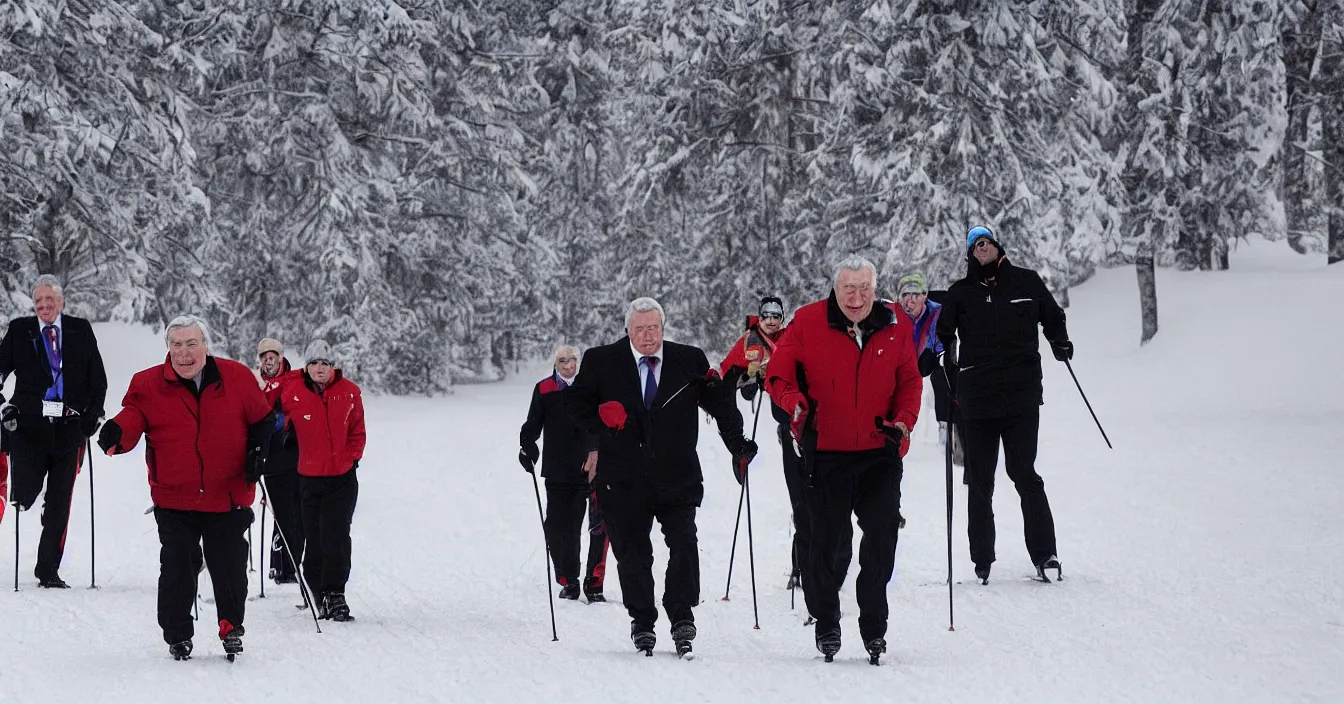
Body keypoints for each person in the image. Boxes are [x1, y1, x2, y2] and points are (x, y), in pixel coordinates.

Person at [564, 297, 756, 658]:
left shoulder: (689, 359)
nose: (648, 336)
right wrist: (601, 421)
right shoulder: (601, 361)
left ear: (663, 328)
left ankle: (681, 614)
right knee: (633, 554)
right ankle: (642, 620)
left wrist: (738, 444)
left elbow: (719, 403)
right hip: (622, 479)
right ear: (628, 331)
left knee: (684, 543)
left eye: (654, 328)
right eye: (640, 329)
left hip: (676, 475)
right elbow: (574, 404)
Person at [766, 256, 922, 664]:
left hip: (878, 451)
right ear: (835, 289)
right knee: (825, 542)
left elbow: (909, 381)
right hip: (827, 452)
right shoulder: (807, 321)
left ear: (875, 288)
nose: (856, 297)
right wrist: (793, 403)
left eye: (864, 288)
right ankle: (827, 620)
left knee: (883, 532)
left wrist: (904, 422)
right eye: (848, 289)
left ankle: (873, 626)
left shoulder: (895, 325)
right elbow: (778, 375)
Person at [97, 315, 273, 660]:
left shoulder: (236, 377)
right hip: (175, 495)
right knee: (178, 564)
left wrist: (257, 454)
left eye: (191, 344)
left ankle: (230, 626)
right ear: (168, 349)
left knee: (229, 563)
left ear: (206, 345)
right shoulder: (148, 384)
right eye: (176, 345)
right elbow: (134, 414)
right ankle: (178, 633)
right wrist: (118, 430)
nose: (184, 353)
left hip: (227, 493)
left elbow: (263, 420)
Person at [936, 225, 1071, 584]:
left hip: (1022, 395)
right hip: (976, 399)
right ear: (970, 254)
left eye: (986, 242)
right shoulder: (960, 293)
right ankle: (982, 558)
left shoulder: (1025, 282)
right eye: (975, 245)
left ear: (997, 246)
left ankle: (1046, 555)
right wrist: (945, 365)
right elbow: (943, 334)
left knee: (1024, 473)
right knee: (980, 480)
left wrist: (1061, 341)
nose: (982, 248)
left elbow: (1052, 315)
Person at [719, 296, 850, 595]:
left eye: (776, 315)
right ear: (760, 317)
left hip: (807, 420)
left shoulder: (792, 334)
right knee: (801, 501)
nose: (771, 320)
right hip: (784, 418)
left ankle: (817, 564)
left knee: (818, 497)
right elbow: (729, 373)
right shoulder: (750, 340)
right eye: (766, 315)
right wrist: (745, 380)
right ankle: (800, 566)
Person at [0, 274, 108, 588]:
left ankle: (47, 570)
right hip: (29, 426)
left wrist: (93, 413)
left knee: (61, 502)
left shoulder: (80, 329)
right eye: (39, 302)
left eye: (50, 301)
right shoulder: (20, 330)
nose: (44, 307)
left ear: (60, 302)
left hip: (69, 428)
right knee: (25, 493)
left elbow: (97, 378)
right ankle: (32, 495)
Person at [271, 339, 365, 622]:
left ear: (332, 366)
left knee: (336, 535)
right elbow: (269, 407)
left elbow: (358, 431)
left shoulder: (349, 393)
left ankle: (335, 594)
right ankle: (314, 589)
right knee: (313, 539)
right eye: (314, 363)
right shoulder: (293, 391)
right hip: (308, 478)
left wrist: (350, 459)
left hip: (342, 478)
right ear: (307, 367)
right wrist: (278, 429)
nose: (320, 369)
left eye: (325, 363)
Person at [519, 345, 610, 603]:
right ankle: (568, 579)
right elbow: (532, 424)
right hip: (557, 470)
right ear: (555, 363)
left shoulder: (590, 388)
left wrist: (595, 451)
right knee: (557, 528)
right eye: (562, 360)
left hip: (589, 469)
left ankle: (593, 584)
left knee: (594, 527)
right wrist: (527, 446)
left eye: (572, 360)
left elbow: (599, 424)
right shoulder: (545, 389)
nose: (568, 365)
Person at [254, 338, 303, 585]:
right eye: (264, 356)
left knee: (297, 512)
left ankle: (289, 565)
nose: (268, 360)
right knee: (282, 512)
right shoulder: (255, 384)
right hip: (270, 457)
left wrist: (281, 421)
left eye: (273, 355)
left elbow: (300, 411)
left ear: (281, 357)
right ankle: (281, 567)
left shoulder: (294, 380)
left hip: (294, 453)